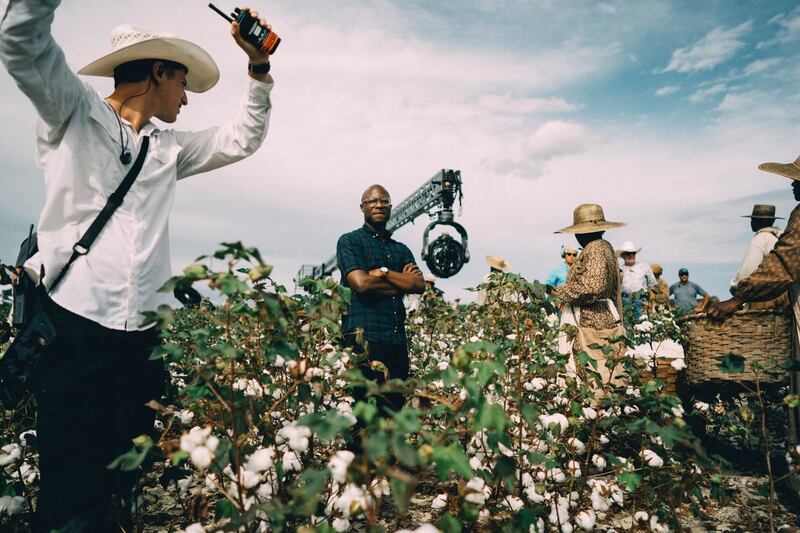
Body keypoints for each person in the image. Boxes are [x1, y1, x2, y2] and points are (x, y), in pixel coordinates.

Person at [0, 2, 274, 530]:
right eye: (183, 82)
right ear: (158, 72)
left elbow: (241, 137)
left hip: (141, 343)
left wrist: (259, 69)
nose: (187, 96)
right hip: (74, 329)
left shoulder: (167, 150)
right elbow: (22, 40)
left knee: (124, 477)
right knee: (70, 488)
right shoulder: (74, 112)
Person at [710, 157, 800, 469]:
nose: (792, 185)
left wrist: (737, 299)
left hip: (764, 296)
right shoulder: (776, 234)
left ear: (752, 222)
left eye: (796, 180)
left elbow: (780, 266)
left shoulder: (765, 237)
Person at [336, 185, 424, 444]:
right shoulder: (350, 241)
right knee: (363, 410)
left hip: (396, 340)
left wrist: (383, 273)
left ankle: (382, 473)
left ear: (390, 206)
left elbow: (418, 285)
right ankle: (358, 475)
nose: (378, 205)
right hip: (364, 340)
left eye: (383, 200)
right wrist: (400, 282)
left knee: (393, 409)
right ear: (362, 207)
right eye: (371, 201)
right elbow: (361, 284)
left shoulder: (401, 249)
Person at [551, 204, 626, 386]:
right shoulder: (604, 248)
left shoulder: (595, 249)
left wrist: (559, 291)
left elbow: (592, 287)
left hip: (591, 318)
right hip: (602, 315)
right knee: (604, 365)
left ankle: (595, 407)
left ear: (582, 233)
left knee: (592, 367)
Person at [730, 204, 788, 310]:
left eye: (753, 220)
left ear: (759, 221)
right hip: (784, 296)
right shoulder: (780, 238)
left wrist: (736, 288)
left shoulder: (760, 240)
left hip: (765, 298)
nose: (751, 222)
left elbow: (748, 270)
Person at [617, 241, 655, 317]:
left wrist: (651, 303)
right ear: (623, 255)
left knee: (643, 325)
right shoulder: (619, 270)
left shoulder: (644, 267)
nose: (631, 255)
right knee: (627, 326)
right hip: (624, 302)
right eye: (628, 253)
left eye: (633, 253)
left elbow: (652, 286)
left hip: (642, 301)